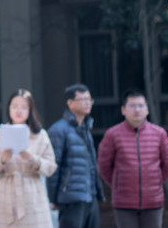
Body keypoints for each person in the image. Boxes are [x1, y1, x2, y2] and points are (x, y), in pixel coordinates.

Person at [97, 89, 168, 228]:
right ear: (123, 110)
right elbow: (104, 166)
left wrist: (156, 181)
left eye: (141, 105)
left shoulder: (159, 134)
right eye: (132, 106)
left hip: (153, 201)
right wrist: (117, 183)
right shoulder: (112, 134)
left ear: (147, 109)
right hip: (124, 202)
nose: (137, 110)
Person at [0, 89, 57, 227]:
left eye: (24, 107)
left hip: (33, 193)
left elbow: (51, 167)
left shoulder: (40, 135)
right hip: (6, 194)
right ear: (8, 108)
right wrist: (1, 160)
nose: (19, 111)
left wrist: (33, 159)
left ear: (30, 110)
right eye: (15, 106)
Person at [46, 83, 105, 228]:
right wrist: (53, 199)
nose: (88, 103)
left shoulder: (85, 128)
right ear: (70, 103)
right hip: (70, 199)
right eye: (83, 99)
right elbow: (53, 168)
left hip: (89, 196)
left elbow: (92, 165)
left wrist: (97, 192)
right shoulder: (58, 130)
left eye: (89, 100)